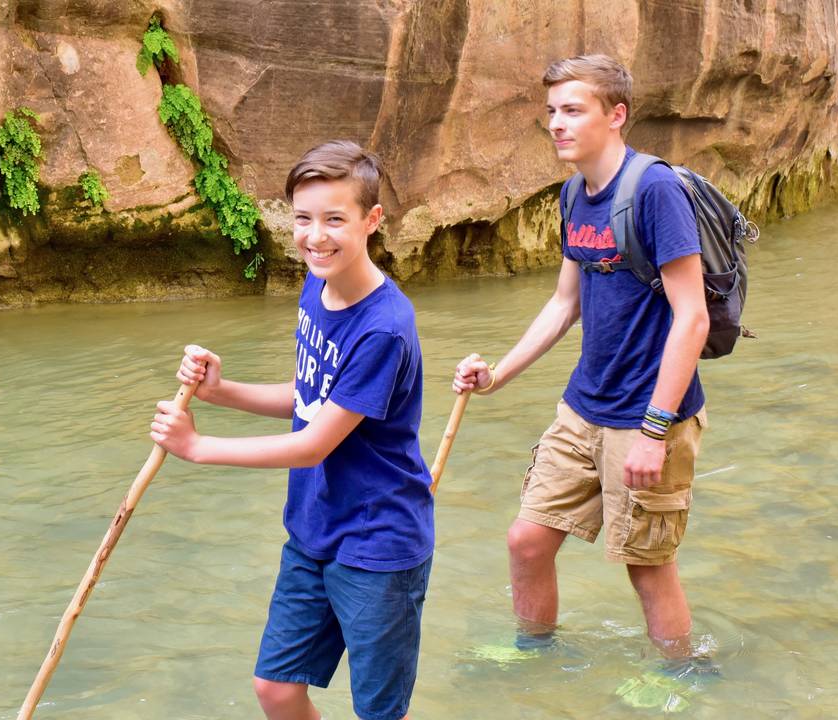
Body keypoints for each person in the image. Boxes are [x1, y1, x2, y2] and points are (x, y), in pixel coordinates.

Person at [152, 140, 433, 720]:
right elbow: (308, 401)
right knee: (276, 688)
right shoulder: (317, 286)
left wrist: (198, 447)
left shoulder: (384, 329)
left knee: (380, 712)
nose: (315, 236)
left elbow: (312, 445)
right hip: (314, 529)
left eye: (335, 219)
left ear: (372, 220)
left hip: (378, 542)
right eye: (303, 219)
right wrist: (221, 392)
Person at [452, 55, 711, 660]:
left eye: (573, 110)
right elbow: (564, 304)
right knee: (527, 540)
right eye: (551, 112)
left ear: (616, 115)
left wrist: (654, 430)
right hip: (584, 408)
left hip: (649, 416)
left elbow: (692, 317)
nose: (557, 124)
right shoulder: (575, 195)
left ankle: (680, 675)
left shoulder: (656, 191)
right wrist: (497, 375)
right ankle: (533, 653)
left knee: (647, 565)